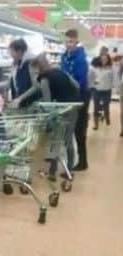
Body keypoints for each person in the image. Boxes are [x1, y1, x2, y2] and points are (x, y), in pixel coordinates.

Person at [15, 54, 80, 180]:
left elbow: (47, 101)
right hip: (73, 108)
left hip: (59, 112)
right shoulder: (60, 71)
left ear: (38, 68)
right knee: (68, 140)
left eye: (34, 70)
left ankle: (52, 172)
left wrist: (41, 109)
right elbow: (76, 85)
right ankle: (70, 170)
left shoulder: (44, 79)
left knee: (55, 140)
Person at [61, 29, 89, 171]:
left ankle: (83, 162)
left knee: (79, 131)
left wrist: (67, 80)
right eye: (66, 41)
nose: (69, 44)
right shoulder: (64, 56)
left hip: (81, 97)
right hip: (69, 97)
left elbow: (81, 82)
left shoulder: (81, 59)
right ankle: (71, 161)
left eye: (71, 41)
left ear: (77, 42)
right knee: (68, 130)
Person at [9, 38, 39, 107]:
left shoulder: (32, 62)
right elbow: (11, 82)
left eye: (12, 52)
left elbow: (36, 86)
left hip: (32, 104)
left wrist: (20, 98)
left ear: (19, 52)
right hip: (22, 104)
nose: (10, 55)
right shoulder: (18, 63)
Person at [92, 53, 114, 130]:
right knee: (96, 107)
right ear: (100, 60)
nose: (104, 60)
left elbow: (113, 79)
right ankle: (96, 124)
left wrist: (113, 87)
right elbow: (92, 78)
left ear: (108, 60)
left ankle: (107, 117)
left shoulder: (111, 68)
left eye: (105, 59)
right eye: (102, 59)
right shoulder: (96, 68)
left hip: (107, 91)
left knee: (106, 106)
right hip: (97, 90)